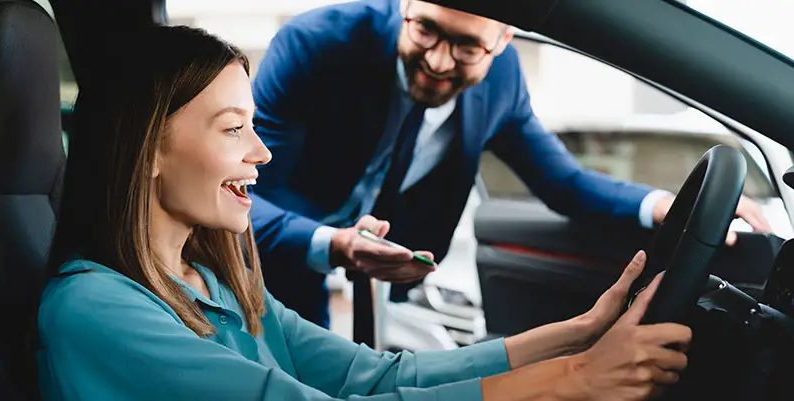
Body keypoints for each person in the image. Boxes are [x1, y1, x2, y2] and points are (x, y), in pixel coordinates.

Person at [38, 24, 692, 401]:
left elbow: (376, 376)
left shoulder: (219, 282)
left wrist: (577, 333)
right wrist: (572, 379)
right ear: (149, 147)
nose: (263, 153)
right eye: (233, 129)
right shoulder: (93, 309)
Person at [248, 0, 772, 329]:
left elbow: (561, 181)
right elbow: (249, 189)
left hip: (381, 261)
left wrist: (663, 204)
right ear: (404, 6)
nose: (436, 61)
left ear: (503, 42)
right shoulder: (318, 42)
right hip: (269, 249)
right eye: (426, 29)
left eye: (466, 46)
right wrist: (328, 244)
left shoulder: (502, 83)